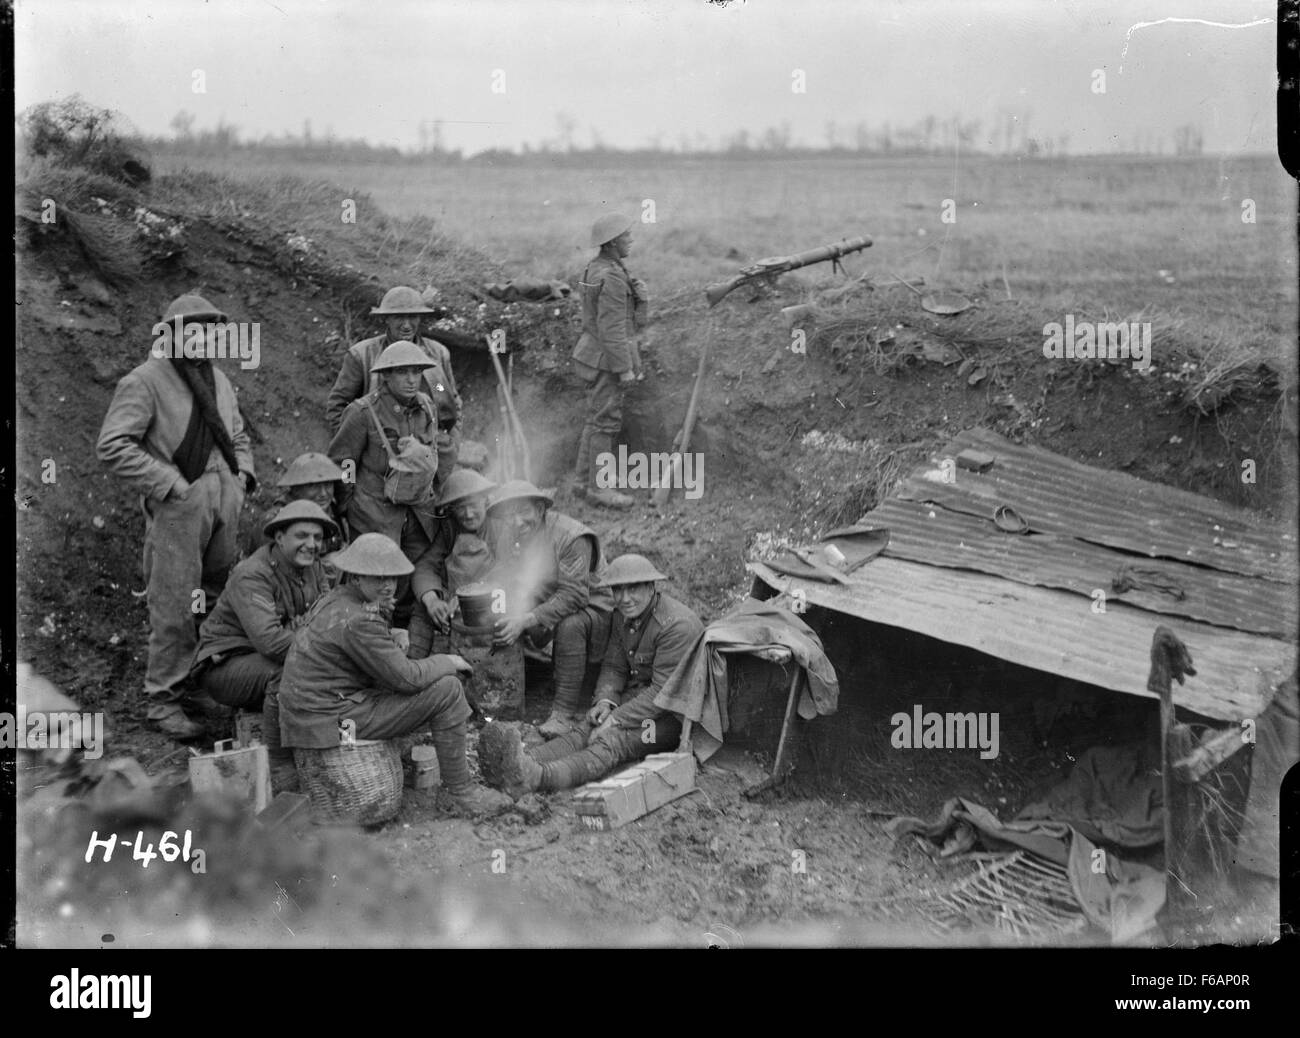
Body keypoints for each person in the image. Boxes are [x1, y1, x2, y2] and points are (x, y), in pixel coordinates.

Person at [97, 294, 256, 739]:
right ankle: (163, 700)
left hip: (223, 502)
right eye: (192, 330)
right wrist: (170, 485)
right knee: (174, 603)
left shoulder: (220, 382)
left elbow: (237, 434)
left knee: (212, 597)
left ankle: (196, 683)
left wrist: (242, 476)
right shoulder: (144, 381)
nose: (201, 338)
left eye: (209, 331)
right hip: (178, 508)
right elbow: (112, 445)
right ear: (168, 336)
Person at [277, 533, 512, 816]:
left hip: (315, 713)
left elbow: (351, 649)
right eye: (378, 579)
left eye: (393, 578)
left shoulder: (337, 599)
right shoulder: (359, 619)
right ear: (355, 577)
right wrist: (448, 660)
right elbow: (408, 678)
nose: (388, 586)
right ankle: (460, 793)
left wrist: (387, 631)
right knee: (448, 690)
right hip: (331, 722)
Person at [479, 554, 703, 796]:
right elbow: (615, 666)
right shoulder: (623, 615)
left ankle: (537, 778)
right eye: (618, 589)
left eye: (633, 588)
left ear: (651, 587)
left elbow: (662, 693)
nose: (625, 598)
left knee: (614, 739)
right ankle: (516, 760)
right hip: (642, 700)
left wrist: (616, 719)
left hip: (675, 717)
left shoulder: (675, 626)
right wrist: (605, 703)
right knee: (587, 726)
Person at [191, 500, 337, 785]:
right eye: (302, 536)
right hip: (226, 666)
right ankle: (279, 765)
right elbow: (272, 643)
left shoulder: (314, 569)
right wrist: (321, 644)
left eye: (318, 538)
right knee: (286, 673)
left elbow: (327, 618)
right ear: (279, 538)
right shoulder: (253, 574)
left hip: (277, 655)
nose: (312, 544)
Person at [483, 480, 614, 737]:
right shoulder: (509, 537)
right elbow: (502, 575)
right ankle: (507, 699)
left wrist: (526, 619)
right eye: (509, 515)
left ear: (541, 509)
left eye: (524, 511)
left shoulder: (571, 536)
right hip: (546, 603)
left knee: (571, 624)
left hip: (593, 610)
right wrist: (490, 602)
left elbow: (575, 595)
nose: (516, 521)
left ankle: (563, 714)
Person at [328, 340, 442, 626]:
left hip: (416, 512)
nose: (411, 379)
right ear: (386, 376)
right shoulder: (362, 412)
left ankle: (407, 647)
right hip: (375, 513)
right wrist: (349, 505)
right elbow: (344, 463)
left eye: (416, 372)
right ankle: (372, 639)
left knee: (413, 578)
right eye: (402, 372)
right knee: (376, 584)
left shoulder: (427, 407)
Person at [325, 285, 462, 480]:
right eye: (399, 317)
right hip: (380, 461)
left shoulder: (437, 355)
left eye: (412, 317)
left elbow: (448, 398)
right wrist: (357, 444)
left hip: (427, 459)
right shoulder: (363, 356)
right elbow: (338, 405)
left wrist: (451, 444)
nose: (406, 325)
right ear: (385, 319)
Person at [570, 212, 648, 509]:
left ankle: (582, 482)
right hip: (606, 361)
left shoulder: (598, 268)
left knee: (595, 420)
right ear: (613, 242)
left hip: (593, 356)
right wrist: (625, 369)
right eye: (627, 236)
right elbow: (613, 329)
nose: (631, 241)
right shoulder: (612, 277)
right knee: (606, 423)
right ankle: (600, 488)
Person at [407, 468, 497, 659]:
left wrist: (470, 597)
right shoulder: (449, 529)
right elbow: (426, 567)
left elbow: (510, 570)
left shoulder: (499, 524)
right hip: (454, 601)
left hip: (495, 599)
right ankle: (413, 668)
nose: (468, 514)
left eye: (473, 504)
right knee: (421, 608)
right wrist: (432, 601)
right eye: (460, 507)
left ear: (485, 500)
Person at [239, 451, 346, 561]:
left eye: (328, 484)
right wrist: (328, 564)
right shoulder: (274, 522)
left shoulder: (333, 514)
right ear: (295, 489)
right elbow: (271, 569)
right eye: (313, 486)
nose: (323, 493)